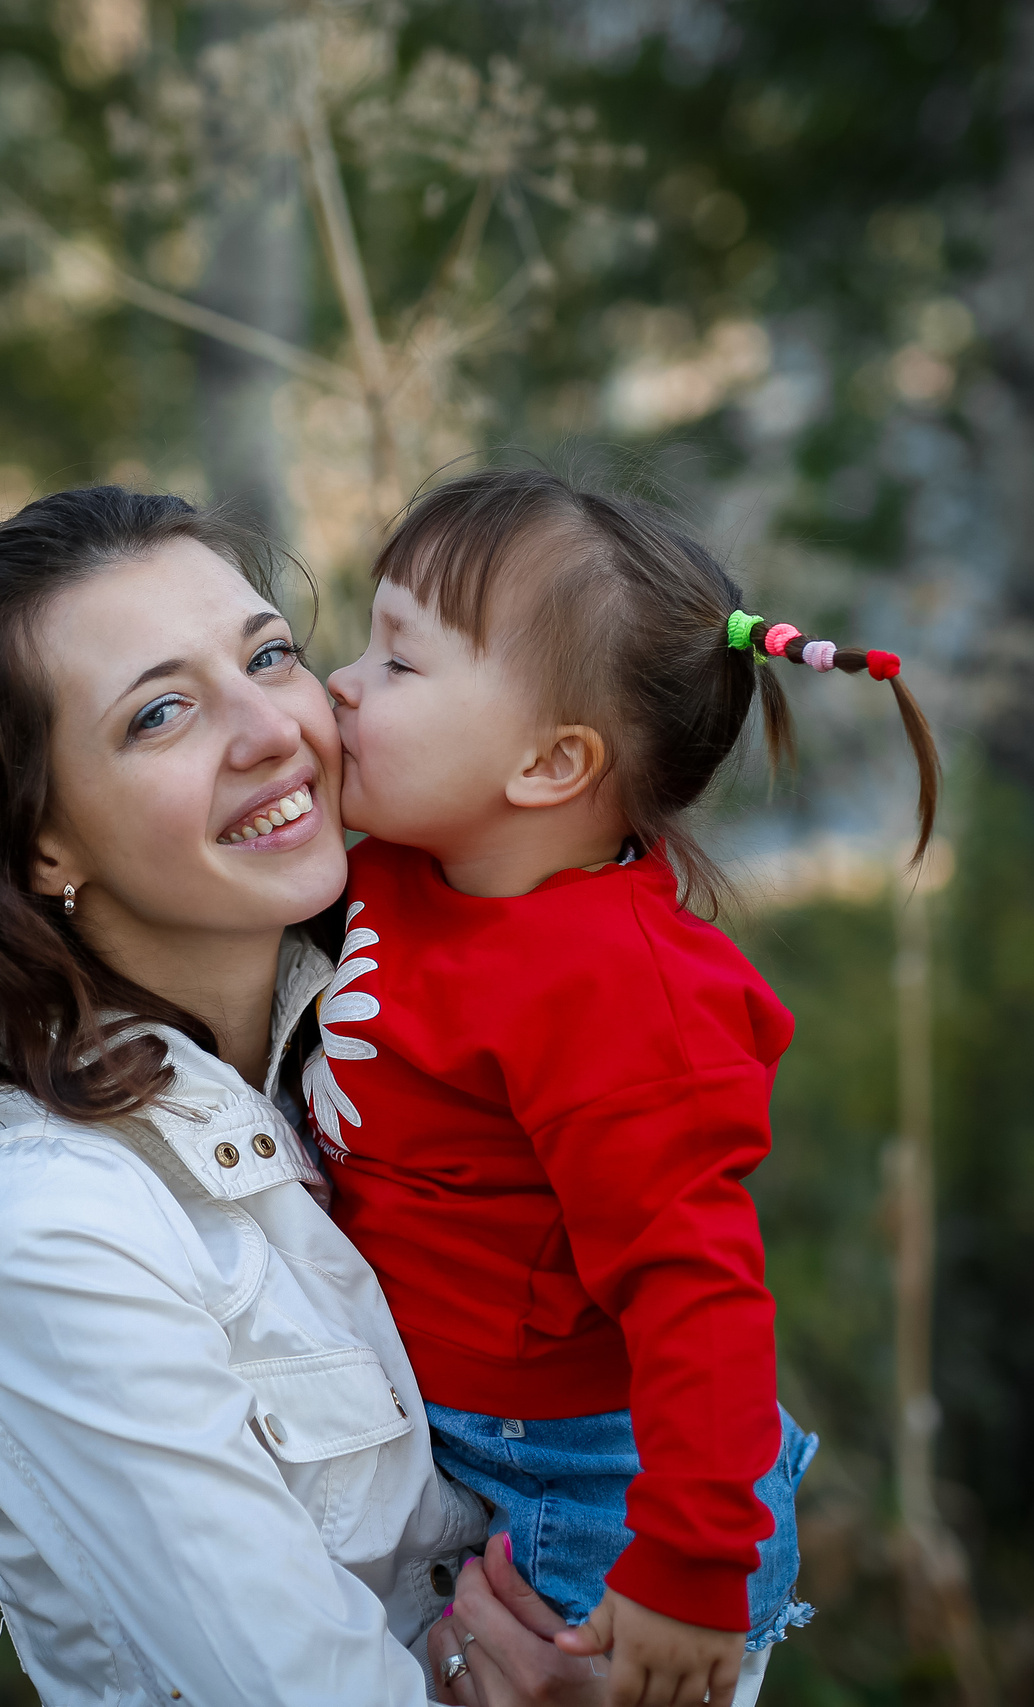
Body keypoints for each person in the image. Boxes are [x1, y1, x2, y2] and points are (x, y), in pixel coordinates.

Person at [0, 486, 557, 1703]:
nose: (273, 729)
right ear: (42, 840)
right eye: (161, 714)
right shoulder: (48, 1225)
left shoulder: (403, 1049)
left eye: (271, 654)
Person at [315, 467, 940, 1707]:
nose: (342, 682)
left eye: (400, 662)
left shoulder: (618, 996)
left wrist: (692, 1569)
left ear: (551, 763)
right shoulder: (398, 869)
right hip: (458, 1436)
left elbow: (696, 1290)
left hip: (604, 1495)